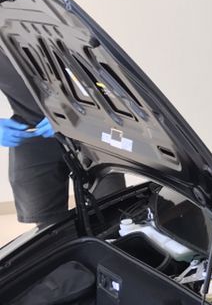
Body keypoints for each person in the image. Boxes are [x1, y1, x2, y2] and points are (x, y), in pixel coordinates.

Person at [0, 52, 122, 227]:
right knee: (48, 227)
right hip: (32, 130)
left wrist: (71, 113)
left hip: (87, 127)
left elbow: (105, 85)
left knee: (111, 212)